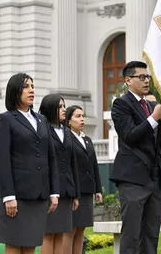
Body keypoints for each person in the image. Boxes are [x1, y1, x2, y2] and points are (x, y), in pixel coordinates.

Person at [0, 73, 59, 254]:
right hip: (17, 195)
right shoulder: (5, 119)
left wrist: (54, 191)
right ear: (15, 91)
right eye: (26, 86)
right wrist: (8, 196)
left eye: (32, 86)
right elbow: (1, 160)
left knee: (30, 244)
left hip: (39, 194)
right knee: (14, 244)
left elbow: (50, 157)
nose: (32, 90)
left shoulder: (42, 120)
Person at [110, 61, 161, 254]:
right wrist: (153, 118)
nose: (146, 81)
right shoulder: (121, 104)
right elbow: (130, 136)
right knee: (132, 234)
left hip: (155, 179)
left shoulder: (152, 105)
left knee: (151, 234)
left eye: (148, 77)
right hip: (133, 179)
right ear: (128, 80)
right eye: (141, 77)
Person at [39, 94, 80, 254]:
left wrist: (75, 193)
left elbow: (73, 163)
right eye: (60, 106)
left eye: (64, 106)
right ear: (50, 109)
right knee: (49, 235)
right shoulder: (42, 130)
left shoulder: (67, 132)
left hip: (67, 190)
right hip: (50, 191)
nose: (64, 110)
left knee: (62, 234)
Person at [65, 105, 102, 254]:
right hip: (75, 191)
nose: (82, 119)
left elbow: (94, 165)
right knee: (71, 230)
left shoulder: (87, 139)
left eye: (82, 116)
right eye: (77, 116)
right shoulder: (66, 139)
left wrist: (98, 189)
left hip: (87, 190)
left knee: (81, 229)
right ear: (68, 121)